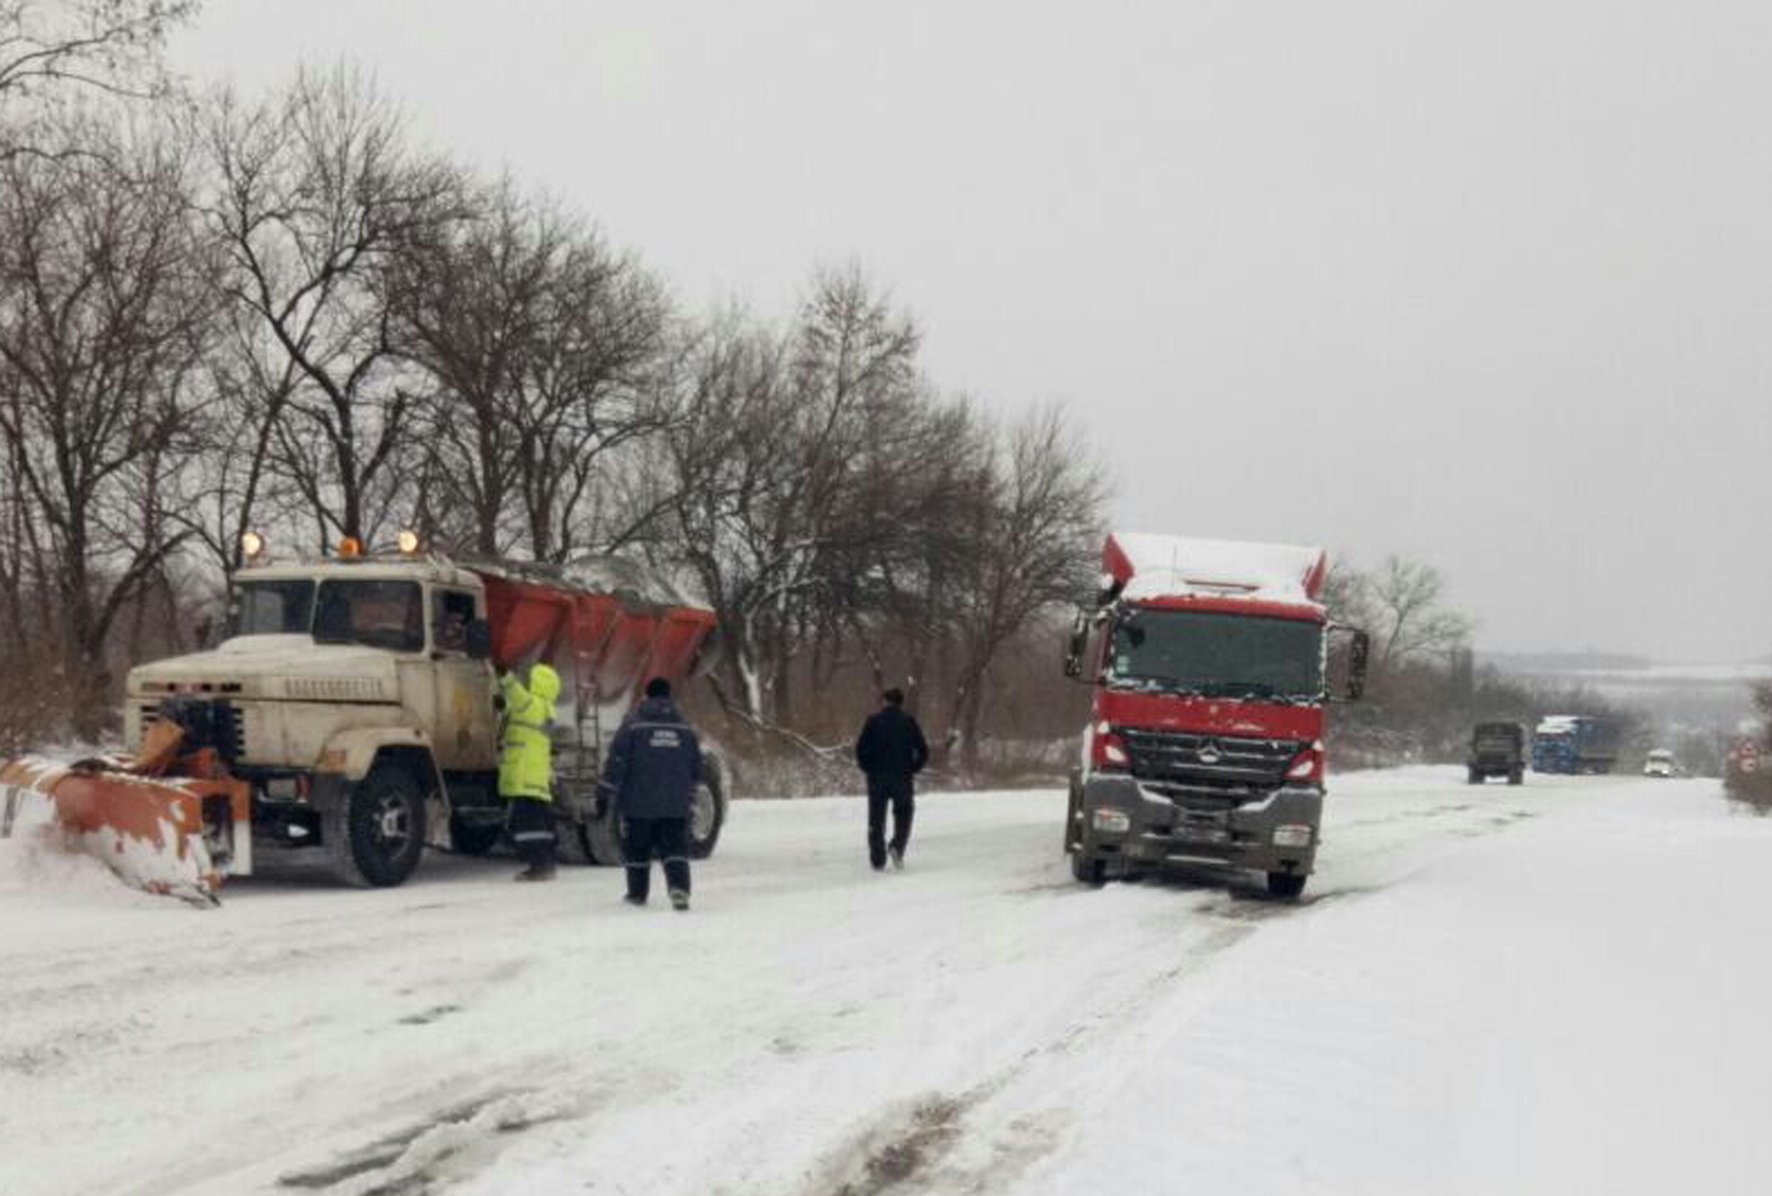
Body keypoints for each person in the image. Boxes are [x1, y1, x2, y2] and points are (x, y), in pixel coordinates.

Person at [598, 677, 702, 911]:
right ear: (669, 696)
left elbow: (618, 759)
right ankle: (679, 889)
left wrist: (605, 790)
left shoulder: (633, 724)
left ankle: (637, 894)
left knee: (637, 848)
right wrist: (690, 792)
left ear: (646, 696)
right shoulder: (685, 726)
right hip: (675, 804)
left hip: (638, 802)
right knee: (675, 847)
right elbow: (697, 765)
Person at [498, 661, 562, 882]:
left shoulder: (531, 705)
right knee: (541, 823)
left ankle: (539, 866)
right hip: (536, 778)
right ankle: (546, 863)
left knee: (526, 824)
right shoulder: (546, 709)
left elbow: (515, 693)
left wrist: (504, 672)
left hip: (524, 775)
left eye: (530, 679)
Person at [854, 687, 929, 871]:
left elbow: (860, 749)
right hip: (902, 777)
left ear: (885, 701)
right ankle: (897, 845)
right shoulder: (909, 722)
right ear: (901, 703)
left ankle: (877, 858)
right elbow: (923, 750)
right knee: (904, 814)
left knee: (876, 819)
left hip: (877, 778)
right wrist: (913, 768)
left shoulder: (873, 722)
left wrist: (868, 768)